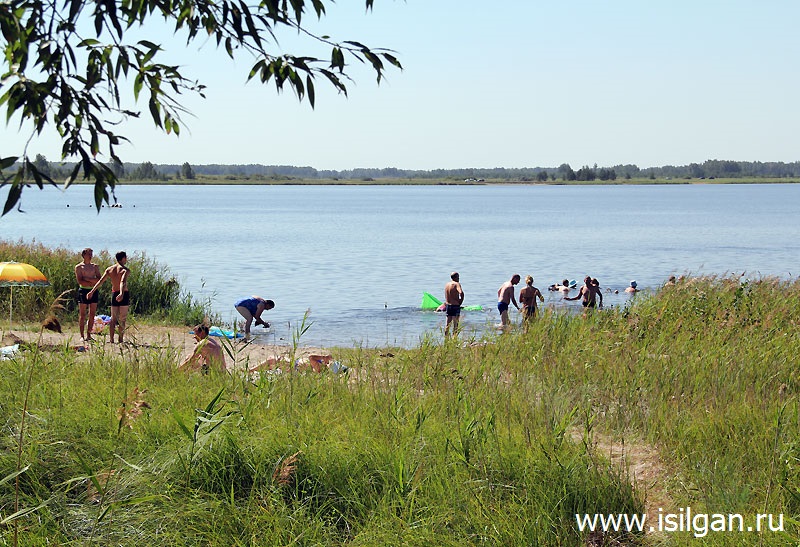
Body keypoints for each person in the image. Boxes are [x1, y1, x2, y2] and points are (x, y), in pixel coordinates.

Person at [87, 251, 130, 343]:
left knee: (113, 318)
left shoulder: (110, 269)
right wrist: (121, 293)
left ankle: (111, 339)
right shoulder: (125, 270)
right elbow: (122, 282)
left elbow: (100, 282)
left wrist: (92, 291)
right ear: (123, 258)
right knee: (122, 319)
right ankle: (120, 339)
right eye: (126, 257)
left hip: (114, 293)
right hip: (123, 294)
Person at [74, 248, 102, 341]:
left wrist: (88, 279)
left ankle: (89, 335)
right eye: (88, 254)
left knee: (92, 314)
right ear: (83, 255)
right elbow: (80, 281)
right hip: (83, 291)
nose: (90, 256)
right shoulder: (79, 267)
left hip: (93, 290)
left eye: (91, 254)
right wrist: (91, 281)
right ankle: (82, 335)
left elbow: (99, 280)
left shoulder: (95, 267)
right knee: (82, 314)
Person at [443, 272, 464, 337]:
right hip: (455, 305)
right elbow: (461, 293)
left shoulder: (447, 285)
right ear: (456, 277)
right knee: (455, 324)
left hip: (448, 305)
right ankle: (454, 339)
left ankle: (446, 339)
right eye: (458, 277)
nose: (459, 279)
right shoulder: (456, 284)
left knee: (447, 324)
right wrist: (460, 302)